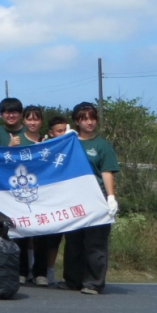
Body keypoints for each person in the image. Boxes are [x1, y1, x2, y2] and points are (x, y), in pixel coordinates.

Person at [60, 102, 119, 295]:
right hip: (74, 199)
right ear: (76, 121)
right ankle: (72, 280)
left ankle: (93, 283)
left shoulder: (102, 145)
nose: (89, 122)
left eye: (92, 118)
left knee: (95, 244)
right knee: (74, 242)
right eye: (84, 118)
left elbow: (107, 172)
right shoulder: (69, 142)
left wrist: (111, 197)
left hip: (97, 200)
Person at [32, 115, 71, 285]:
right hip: (44, 196)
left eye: (65, 130)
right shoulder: (44, 147)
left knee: (56, 238)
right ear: (51, 132)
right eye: (59, 131)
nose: (62, 134)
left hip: (63, 197)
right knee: (41, 236)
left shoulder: (71, 146)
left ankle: (50, 270)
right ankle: (38, 272)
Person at [15, 105, 43, 281]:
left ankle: (40, 272)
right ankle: (22, 271)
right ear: (23, 120)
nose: (32, 122)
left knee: (42, 233)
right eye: (29, 119)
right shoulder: (17, 141)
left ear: (41, 121)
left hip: (42, 194)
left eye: (36, 119)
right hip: (20, 194)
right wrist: (10, 147)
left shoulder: (48, 141)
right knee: (22, 232)